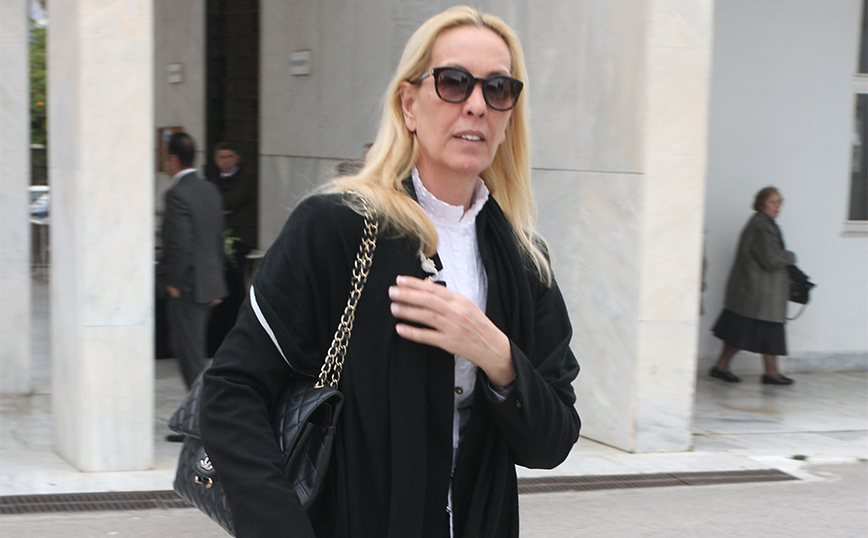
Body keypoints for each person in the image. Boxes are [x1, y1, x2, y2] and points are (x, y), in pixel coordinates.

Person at [199, 6, 581, 537]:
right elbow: (231, 392)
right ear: (409, 104)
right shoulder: (337, 226)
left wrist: (496, 355)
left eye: (498, 89)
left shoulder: (523, 259)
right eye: (454, 82)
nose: (476, 105)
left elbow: (552, 442)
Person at [158, 132, 228, 390]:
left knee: (190, 356)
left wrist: (173, 281)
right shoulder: (209, 189)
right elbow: (218, 237)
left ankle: (202, 413)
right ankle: (198, 410)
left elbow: (179, 243)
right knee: (190, 349)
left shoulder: (177, 194)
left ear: (173, 158)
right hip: (208, 284)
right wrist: (218, 280)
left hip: (189, 286)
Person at [709, 186, 797, 385]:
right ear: (761, 204)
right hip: (757, 293)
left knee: (751, 332)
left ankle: (765, 372)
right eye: (773, 202)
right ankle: (764, 372)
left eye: (779, 202)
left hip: (757, 293)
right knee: (748, 331)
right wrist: (790, 257)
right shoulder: (762, 226)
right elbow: (770, 259)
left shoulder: (763, 223)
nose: (777, 206)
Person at [207, 142, 258, 354]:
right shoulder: (212, 181)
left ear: (236, 158)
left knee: (235, 290)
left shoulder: (245, 179)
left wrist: (222, 207)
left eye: (229, 156)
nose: (226, 160)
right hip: (216, 242)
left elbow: (231, 201)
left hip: (238, 242)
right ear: (215, 160)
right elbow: (212, 206)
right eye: (222, 157)